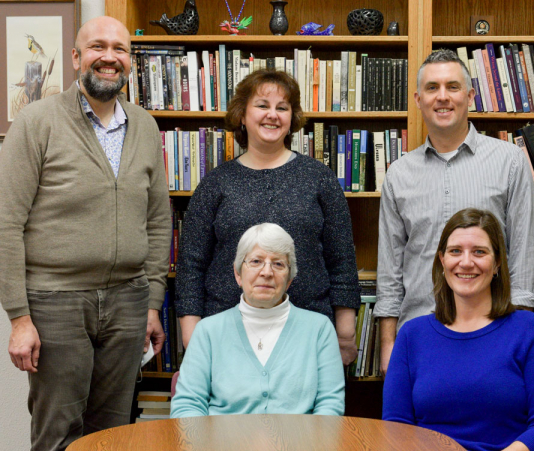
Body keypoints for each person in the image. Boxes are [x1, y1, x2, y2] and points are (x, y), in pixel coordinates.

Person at [0, 16, 171, 451]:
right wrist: (19, 317)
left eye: (120, 49)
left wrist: (152, 303)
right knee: (57, 431)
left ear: (130, 62)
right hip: (56, 301)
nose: (109, 57)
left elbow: (157, 220)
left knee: (112, 435)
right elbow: (6, 222)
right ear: (76, 58)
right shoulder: (36, 122)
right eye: (98, 47)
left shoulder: (145, 127)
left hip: (128, 302)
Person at [174, 69, 360, 365]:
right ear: (242, 115)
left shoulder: (319, 178)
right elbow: (191, 267)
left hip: (307, 334)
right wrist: (192, 339)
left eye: (282, 108)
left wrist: (345, 334)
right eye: (262, 105)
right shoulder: (216, 183)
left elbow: (342, 261)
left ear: (291, 119)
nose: (272, 115)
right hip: (226, 334)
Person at [375, 49, 534, 374]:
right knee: (413, 428)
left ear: (469, 96)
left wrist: (520, 339)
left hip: (495, 335)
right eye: (432, 88)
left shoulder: (509, 162)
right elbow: (390, 267)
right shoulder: (399, 173)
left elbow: (524, 256)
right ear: (418, 99)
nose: (442, 97)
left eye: (452, 87)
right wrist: (388, 346)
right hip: (419, 336)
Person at [383, 208, 534, 451]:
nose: (466, 262)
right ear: (442, 260)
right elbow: (397, 428)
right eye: (455, 251)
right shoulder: (411, 335)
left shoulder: (531, 331)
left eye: (479, 252)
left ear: (498, 262)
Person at [171, 223, 345, 417]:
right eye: (256, 261)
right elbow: (187, 406)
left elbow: (330, 406)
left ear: (289, 280)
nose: (267, 272)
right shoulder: (207, 331)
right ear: (238, 274)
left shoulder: (320, 330)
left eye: (278, 264)